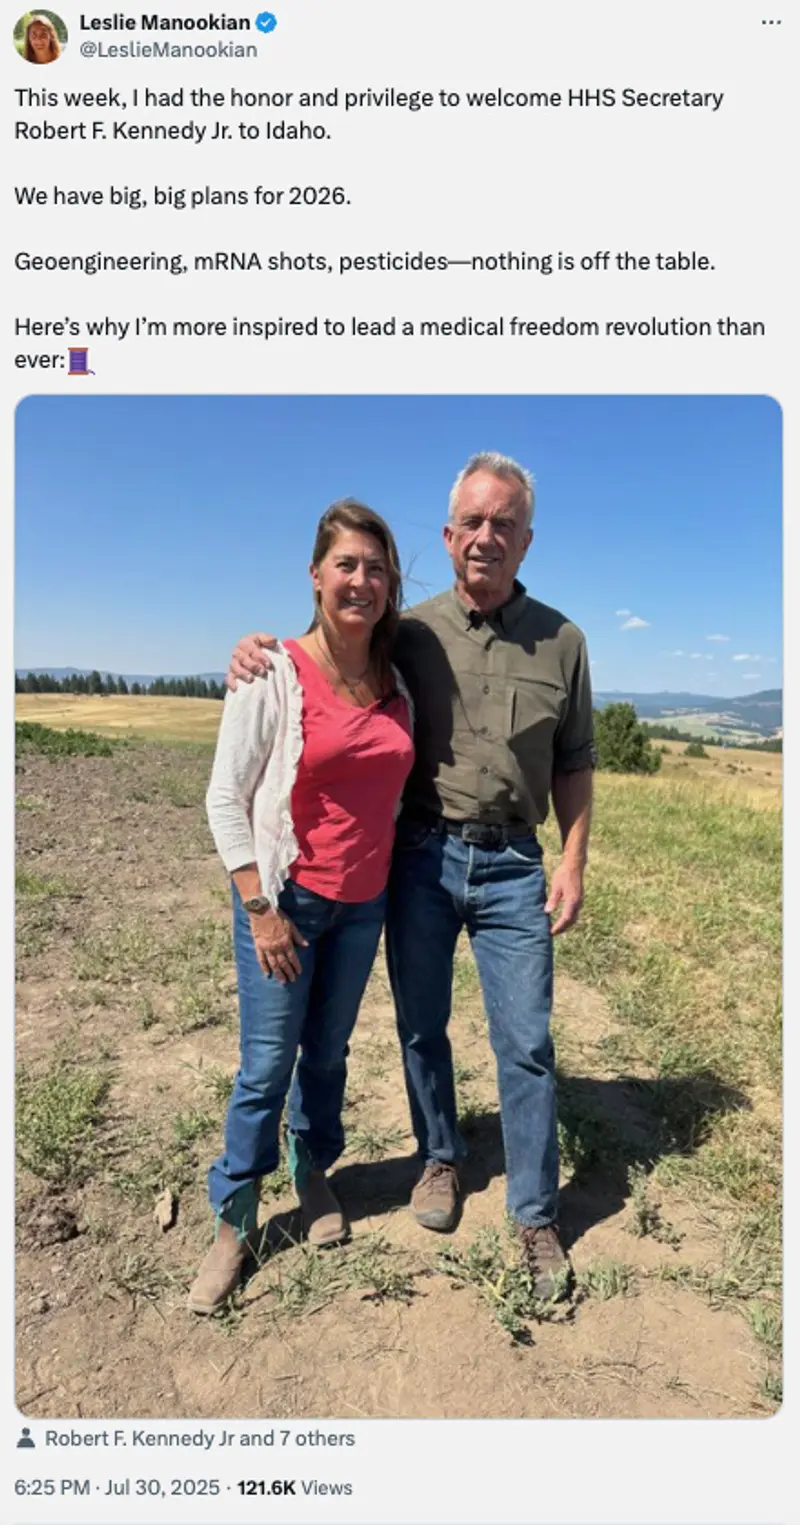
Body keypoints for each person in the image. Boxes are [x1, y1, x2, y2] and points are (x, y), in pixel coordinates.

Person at [227, 453, 594, 1299]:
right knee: (421, 1026)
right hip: (421, 858)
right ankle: (440, 1158)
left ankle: (535, 1213)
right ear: (448, 533)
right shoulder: (411, 630)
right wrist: (253, 652)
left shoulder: (566, 642)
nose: (486, 537)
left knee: (527, 1042)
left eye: (505, 524)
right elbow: (327, 654)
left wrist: (573, 857)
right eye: (473, 521)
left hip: (513, 866)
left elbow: (575, 760)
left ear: (527, 540)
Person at [189, 500, 414, 1315]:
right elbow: (224, 798)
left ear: (391, 585)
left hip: (365, 906)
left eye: (376, 567)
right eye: (346, 564)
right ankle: (234, 1220)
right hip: (286, 902)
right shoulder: (272, 671)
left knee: (327, 1055)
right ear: (316, 577)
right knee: (264, 1067)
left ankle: (312, 1169)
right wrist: (258, 907)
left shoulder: (397, 682)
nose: (361, 579)